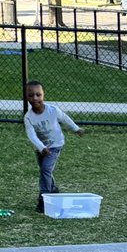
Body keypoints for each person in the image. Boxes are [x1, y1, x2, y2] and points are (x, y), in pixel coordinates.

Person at [23, 81, 85, 210]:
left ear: (43, 95)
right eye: (31, 95)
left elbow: (65, 119)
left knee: (45, 169)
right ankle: (53, 189)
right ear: (26, 97)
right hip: (41, 149)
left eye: (38, 94)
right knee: (45, 170)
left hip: (55, 146)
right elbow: (32, 135)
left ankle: (44, 198)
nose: (35, 98)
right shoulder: (28, 117)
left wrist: (76, 129)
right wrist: (41, 148)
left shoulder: (53, 110)